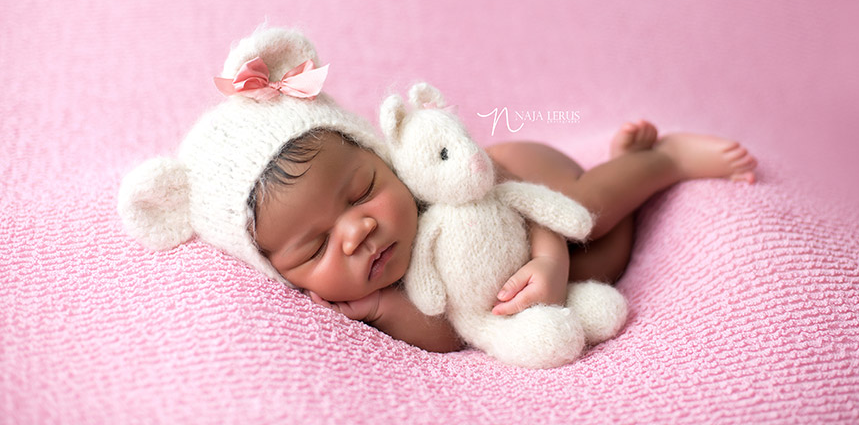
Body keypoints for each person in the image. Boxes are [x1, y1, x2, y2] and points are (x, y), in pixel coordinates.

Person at [119, 28, 757, 354]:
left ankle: (661, 160)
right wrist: (382, 314)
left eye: (363, 189)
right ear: (287, 280)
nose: (357, 230)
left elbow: (515, 197)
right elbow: (452, 330)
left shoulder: (435, 190)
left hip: (527, 185)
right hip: (544, 271)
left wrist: (547, 257)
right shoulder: (365, 300)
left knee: (589, 213)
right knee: (611, 254)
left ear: (383, 158)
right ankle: (627, 161)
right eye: (314, 248)